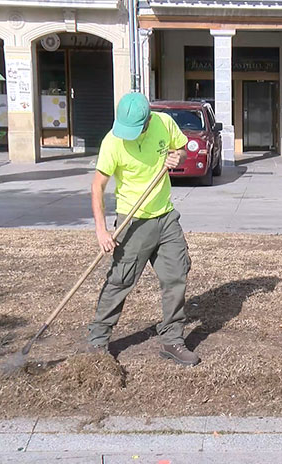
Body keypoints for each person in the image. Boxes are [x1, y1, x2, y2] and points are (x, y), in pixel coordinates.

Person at [85, 92, 200, 367]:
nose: (128, 135)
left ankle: (172, 340)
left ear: (147, 121)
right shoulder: (112, 142)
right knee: (120, 281)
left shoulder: (164, 123)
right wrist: (101, 230)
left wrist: (177, 157)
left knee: (176, 278)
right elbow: (97, 187)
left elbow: (181, 149)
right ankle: (97, 342)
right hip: (132, 220)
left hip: (166, 218)